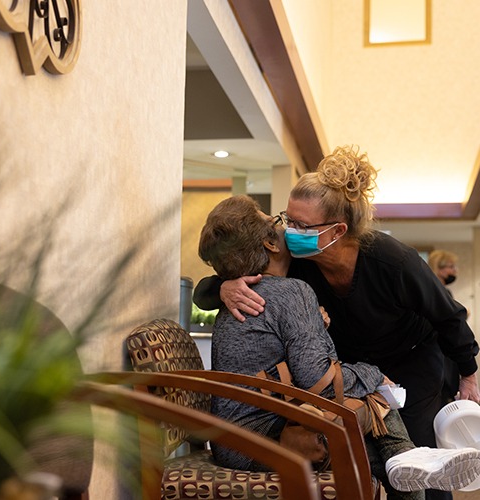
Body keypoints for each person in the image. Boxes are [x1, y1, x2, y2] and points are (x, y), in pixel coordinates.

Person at [194, 146, 480, 500]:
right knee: (391, 455)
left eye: (300, 225)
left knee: (419, 455)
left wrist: (469, 375)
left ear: (337, 230)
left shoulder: (393, 261)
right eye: (286, 219)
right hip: (347, 369)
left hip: (411, 360)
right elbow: (217, 281)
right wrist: (223, 287)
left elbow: (449, 316)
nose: (288, 230)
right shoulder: (298, 263)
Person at [428, 249, 466, 405]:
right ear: (439, 268)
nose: (454, 270)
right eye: (450, 266)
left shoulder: (438, 291)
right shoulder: (440, 292)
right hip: (439, 353)